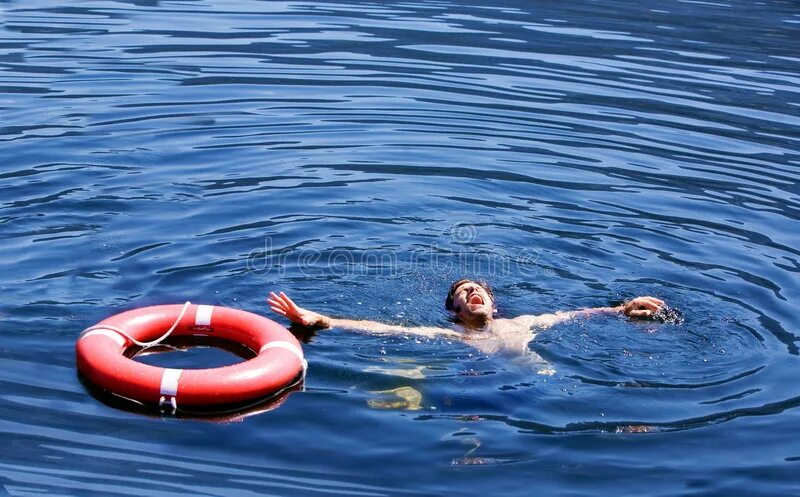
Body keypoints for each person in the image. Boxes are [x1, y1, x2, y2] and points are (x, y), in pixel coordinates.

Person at [267, 279, 667, 359]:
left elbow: (571, 315)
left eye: (477, 289)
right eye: (461, 293)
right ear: (456, 311)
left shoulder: (523, 323)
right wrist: (318, 319)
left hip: (538, 380)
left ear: (493, 304)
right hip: (487, 391)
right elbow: (385, 328)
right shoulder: (453, 337)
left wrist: (620, 309)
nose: (469, 292)